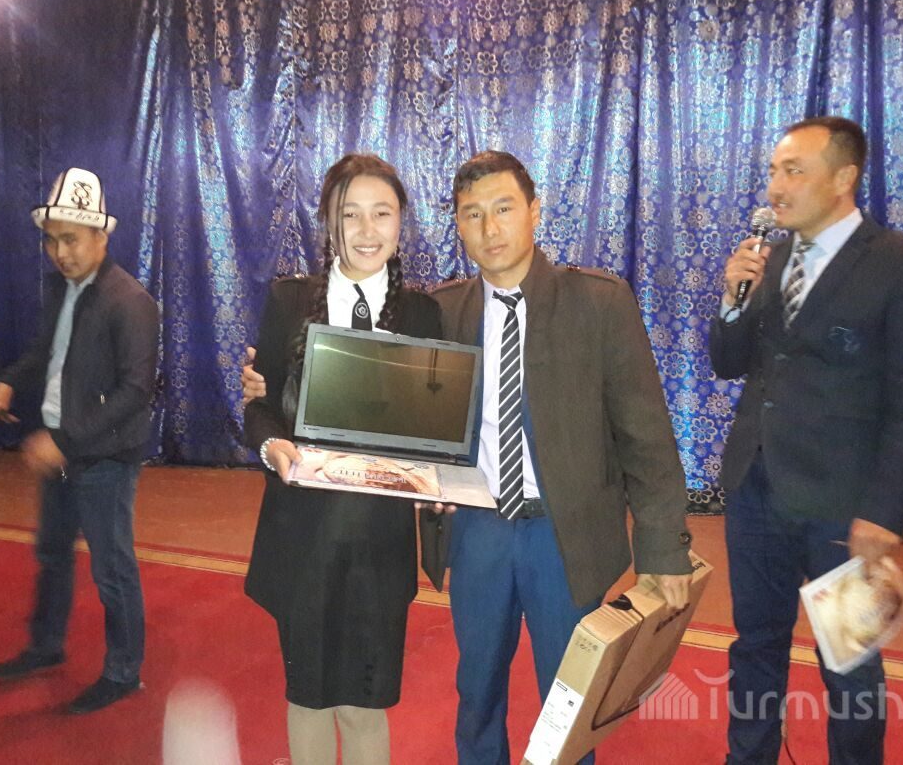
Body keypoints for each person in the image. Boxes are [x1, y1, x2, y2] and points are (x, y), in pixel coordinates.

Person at [244, 150, 694, 764]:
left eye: (504, 208)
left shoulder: (597, 303)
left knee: (567, 702)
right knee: (476, 693)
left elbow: (646, 435)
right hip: (478, 528)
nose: (490, 228)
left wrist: (664, 546)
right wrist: (265, 395)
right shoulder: (445, 311)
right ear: (457, 225)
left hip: (564, 535)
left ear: (535, 211)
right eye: (473, 214)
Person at [710, 116, 903, 764]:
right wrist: (733, 299)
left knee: (849, 661)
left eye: (794, 171)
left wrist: (885, 510)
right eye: (773, 171)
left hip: (842, 507)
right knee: (755, 646)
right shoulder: (772, 258)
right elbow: (729, 363)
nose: (776, 187)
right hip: (757, 489)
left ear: (844, 178)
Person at [243, 153, 445, 765]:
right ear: (329, 221)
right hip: (302, 532)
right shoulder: (288, 301)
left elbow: (437, 427)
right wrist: (270, 444)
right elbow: (259, 405)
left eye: (382, 213)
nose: (366, 230)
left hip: (379, 541)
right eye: (350, 214)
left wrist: (439, 477)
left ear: (401, 221)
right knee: (308, 698)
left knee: (363, 703)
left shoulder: (423, 314)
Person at [0, 167, 159, 714]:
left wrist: (67, 440)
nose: (60, 252)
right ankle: (46, 646)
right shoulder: (60, 288)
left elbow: (136, 392)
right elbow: (46, 351)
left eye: (71, 239)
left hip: (103, 456)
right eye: (52, 240)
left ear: (101, 237)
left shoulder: (130, 301)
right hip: (62, 447)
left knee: (112, 569)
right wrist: (10, 380)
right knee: (53, 553)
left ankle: (124, 672)